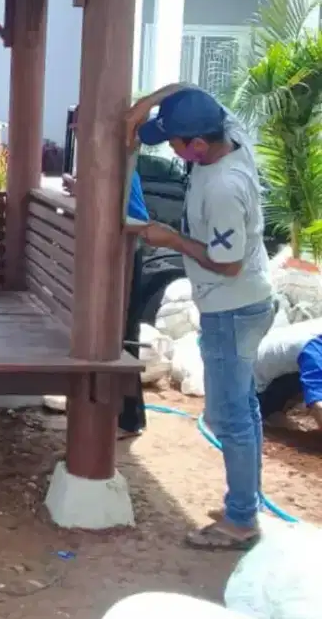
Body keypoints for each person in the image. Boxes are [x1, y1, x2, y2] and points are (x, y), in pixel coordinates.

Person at [127, 85, 274, 550]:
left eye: (174, 143)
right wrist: (155, 101)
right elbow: (194, 93)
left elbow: (226, 263)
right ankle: (244, 501)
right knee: (243, 410)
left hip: (231, 306)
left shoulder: (224, 187)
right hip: (246, 301)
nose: (170, 150)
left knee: (229, 417)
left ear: (198, 145)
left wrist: (173, 240)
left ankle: (241, 521)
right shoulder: (230, 135)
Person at [63, 164, 151, 439]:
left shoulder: (121, 165)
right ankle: (125, 416)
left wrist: (82, 191)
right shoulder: (109, 162)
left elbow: (128, 215)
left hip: (126, 255)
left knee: (122, 334)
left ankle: (128, 417)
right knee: (117, 334)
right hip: (116, 256)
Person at [255, 317, 322, 429]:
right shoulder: (315, 348)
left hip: (276, 368)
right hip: (254, 390)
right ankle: (270, 414)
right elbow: (319, 406)